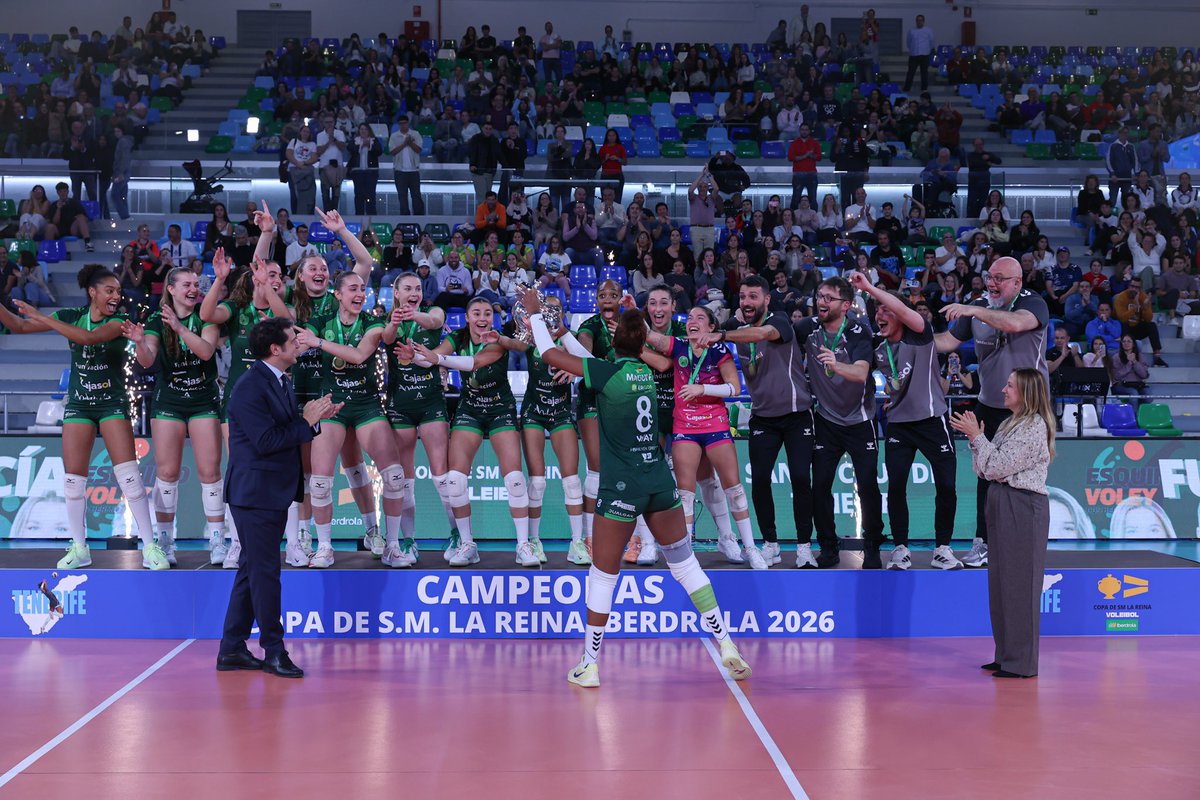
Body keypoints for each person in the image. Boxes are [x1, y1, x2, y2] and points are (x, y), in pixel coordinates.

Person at [518, 289, 751, 687]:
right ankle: (726, 643)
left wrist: (538, 318)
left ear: (614, 344)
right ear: (642, 342)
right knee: (686, 566)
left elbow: (550, 356)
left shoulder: (607, 373)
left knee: (603, 576)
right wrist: (573, 327)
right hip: (661, 484)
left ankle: (589, 664)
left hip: (622, 486)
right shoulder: (645, 370)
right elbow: (593, 356)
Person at [0, 265, 165, 570]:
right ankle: (80, 548)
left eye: (118, 291)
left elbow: (89, 338)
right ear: (93, 292)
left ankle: (151, 547)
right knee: (73, 482)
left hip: (111, 404)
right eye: (110, 290)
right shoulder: (72, 315)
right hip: (79, 405)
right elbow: (18, 327)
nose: (117, 296)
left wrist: (43, 317)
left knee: (130, 478)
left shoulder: (119, 322)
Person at [218, 316, 342, 679]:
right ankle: (274, 650)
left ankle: (232, 649)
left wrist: (315, 419)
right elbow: (267, 441)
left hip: (270, 492)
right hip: (254, 495)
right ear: (276, 349)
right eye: (293, 339)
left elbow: (289, 429)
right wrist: (306, 421)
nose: (299, 343)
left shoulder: (279, 381)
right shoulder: (248, 388)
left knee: (251, 572)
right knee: (266, 574)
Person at [936, 256, 1049, 570]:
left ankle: (1021, 542)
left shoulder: (1033, 303)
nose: (992, 283)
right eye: (990, 276)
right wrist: (912, 338)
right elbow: (946, 342)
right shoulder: (978, 306)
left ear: (1017, 282)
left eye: (1000, 278)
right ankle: (982, 543)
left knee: (1022, 477)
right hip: (989, 402)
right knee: (986, 475)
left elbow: (1014, 323)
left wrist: (974, 309)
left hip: (1028, 409)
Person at [294, 271, 408, 568]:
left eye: (363, 289)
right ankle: (325, 547)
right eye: (353, 289)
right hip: (330, 406)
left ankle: (392, 546)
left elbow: (358, 356)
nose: (360, 294)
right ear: (338, 295)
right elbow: (297, 343)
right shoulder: (320, 323)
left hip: (366, 404)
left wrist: (317, 343)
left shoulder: (372, 324)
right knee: (319, 483)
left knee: (395, 478)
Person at [701, 276, 817, 567]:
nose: (747, 302)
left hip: (796, 415)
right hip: (763, 418)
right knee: (760, 481)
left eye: (753, 296)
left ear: (766, 299)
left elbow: (762, 333)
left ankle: (804, 546)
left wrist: (724, 336)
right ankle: (771, 544)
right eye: (742, 297)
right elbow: (704, 328)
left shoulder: (779, 321)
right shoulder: (735, 327)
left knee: (802, 479)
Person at [850, 271, 962, 570]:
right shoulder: (877, 346)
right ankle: (900, 548)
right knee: (897, 487)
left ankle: (943, 548)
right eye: (877, 313)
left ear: (901, 315)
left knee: (947, 487)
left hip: (932, 421)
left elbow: (902, 310)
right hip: (899, 424)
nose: (880, 315)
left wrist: (871, 289)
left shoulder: (920, 335)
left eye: (887, 310)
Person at [411, 298, 534, 566]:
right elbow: (429, 358)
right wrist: (415, 357)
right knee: (454, 479)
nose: (482, 317)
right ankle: (468, 544)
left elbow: (474, 363)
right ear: (467, 318)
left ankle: (523, 546)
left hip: (500, 408)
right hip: (470, 410)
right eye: (476, 312)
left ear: (493, 317)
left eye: (487, 312)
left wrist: (437, 359)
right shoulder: (457, 336)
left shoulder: (498, 340)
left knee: (514, 479)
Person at [949, 368, 1055, 679]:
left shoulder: (1034, 427)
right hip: (1001, 499)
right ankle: (1006, 655)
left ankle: (1021, 663)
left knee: (1021, 584)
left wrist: (976, 436)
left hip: (1023, 505)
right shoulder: (1010, 423)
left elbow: (995, 464)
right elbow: (983, 469)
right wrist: (977, 441)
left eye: (1010, 385)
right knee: (1001, 584)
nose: (1003, 390)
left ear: (1027, 393)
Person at [645, 306, 767, 569]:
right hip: (685, 425)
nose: (692, 321)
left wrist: (703, 388)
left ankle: (750, 548)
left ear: (711, 328)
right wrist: (631, 310)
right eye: (689, 317)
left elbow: (734, 388)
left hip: (715, 423)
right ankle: (686, 556)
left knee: (733, 489)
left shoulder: (719, 350)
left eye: (700, 318)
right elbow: (649, 337)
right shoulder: (678, 345)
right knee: (685, 494)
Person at [125, 268, 226, 566]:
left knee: (211, 473)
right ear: (171, 289)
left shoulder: (207, 318)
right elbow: (148, 359)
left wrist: (181, 329)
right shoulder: (156, 321)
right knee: (167, 474)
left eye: (197, 284)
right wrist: (141, 342)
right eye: (187, 285)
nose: (194, 289)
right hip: (169, 400)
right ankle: (166, 540)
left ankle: (217, 539)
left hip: (203, 400)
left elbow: (206, 352)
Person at [798, 277, 882, 568]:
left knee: (868, 486)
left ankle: (872, 547)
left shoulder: (859, 332)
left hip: (860, 420)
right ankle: (829, 547)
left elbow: (860, 373)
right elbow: (777, 332)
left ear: (846, 305)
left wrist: (836, 365)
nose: (821, 302)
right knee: (819, 485)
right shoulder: (808, 329)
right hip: (827, 421)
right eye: (819, 296)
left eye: (828, 298)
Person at [382, 273, 459, 559]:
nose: (413, 292)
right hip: (400, 406)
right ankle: (407, 540)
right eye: (407, 288)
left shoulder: (433, 312)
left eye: (417, 288)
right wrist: (396, 321)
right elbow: (387, 337)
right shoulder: (389, 322)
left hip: (431, 404)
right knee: (404, 479)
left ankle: (456, 534)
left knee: (442, 476)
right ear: (396, 293)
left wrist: (415, 315)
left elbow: (436, 322)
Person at [389, 115, 425, 215]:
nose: (403, 125)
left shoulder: (415, 134)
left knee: (416, 195)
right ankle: (404, 217)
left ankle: (419, 216)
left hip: (414, 170)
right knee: (402, 195)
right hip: (400, 171)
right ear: (398, 124)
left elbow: (418, 150)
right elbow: (392, 152)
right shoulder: (394, 136)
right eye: (401, 123)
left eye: (405, 123)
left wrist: (410, 143)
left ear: (408, 123)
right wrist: (405, 143)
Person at [348, 122, 381, 215]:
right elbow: (350, 149)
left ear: (369, 131)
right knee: (359, 194)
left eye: (365, 129)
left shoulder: (374, 140)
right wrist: (361, 145)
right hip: (357, 172)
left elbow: (379, 151)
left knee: (371, 194)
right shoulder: (355, 140)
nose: (363, 131)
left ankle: (371, 214)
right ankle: (359, 214)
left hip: (371, 172)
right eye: (361, 129)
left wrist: (369, 146)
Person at [1108, 334, 1150, 407]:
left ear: (1133, 344)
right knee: (1133, 393)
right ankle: (1132, 416)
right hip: (1121, 385)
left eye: (1129, 341)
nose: (1126, 343)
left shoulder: (1140, 356)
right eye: (1124, 341)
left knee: (1148, 395)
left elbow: (1144, 375)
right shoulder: (1116, 357)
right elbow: (1117, 376)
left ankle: (1141, 415)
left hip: (1137, 385)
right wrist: (1129, 363)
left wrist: (1135, 362)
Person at [787, 123, 821, 210]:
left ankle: (814, 219)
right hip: (798, 174)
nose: (804, 132)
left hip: (811, 174)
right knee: (795, 198)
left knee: (813, 199)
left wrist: (811, 155)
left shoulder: (814, 143)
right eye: (803, 129)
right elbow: (790, 157)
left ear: (809, 131)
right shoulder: (795, 143)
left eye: (806, 130)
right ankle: (793, 219)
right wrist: (805, 155)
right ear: (800, 131)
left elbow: (819, 157)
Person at [903, 14, 934, 93]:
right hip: (914, 55)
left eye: (920, 20)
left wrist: (927, 50)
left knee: (924, 73)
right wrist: (912, 50)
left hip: (924, 55)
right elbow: (908, 42)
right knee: (910, 73)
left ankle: (924, 88)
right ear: (916, 21)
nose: (919, 22)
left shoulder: (928, 31)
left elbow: (931, 42)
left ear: (923, 21)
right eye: (917, 20)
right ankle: (907, 88)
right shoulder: (911, 31)